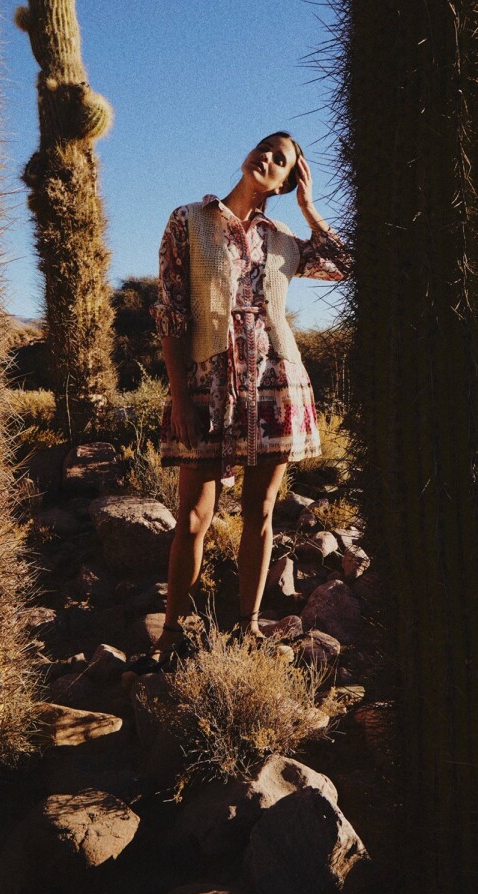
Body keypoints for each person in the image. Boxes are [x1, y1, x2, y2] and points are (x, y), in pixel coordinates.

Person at [148, 132, 350, 660]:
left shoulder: (284, 236)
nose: (267, 157)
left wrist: (309, 209)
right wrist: (179, 398)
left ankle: (248, 626)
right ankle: (172, 632)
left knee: (259, 511)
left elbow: (344, 266)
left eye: (281, 160)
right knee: (193, 515)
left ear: (286, 181)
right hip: (205, 385)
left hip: (275, 383)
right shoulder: (188, 220)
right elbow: (170, 314)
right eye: (265, 147)